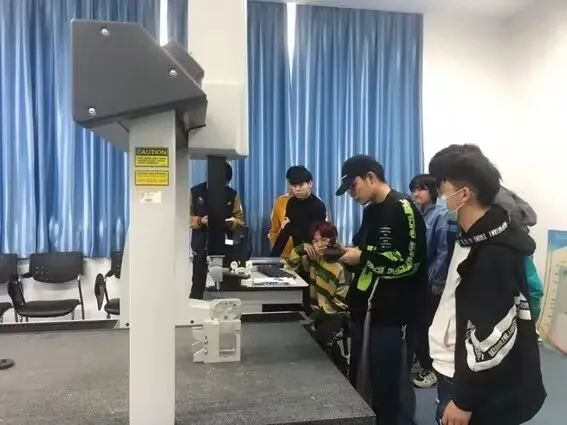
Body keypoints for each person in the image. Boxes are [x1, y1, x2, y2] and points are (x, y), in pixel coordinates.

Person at [428, 146, 546, 425]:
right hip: (453, 367)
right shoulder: (471, 237)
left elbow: (492, 335)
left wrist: (464, 400)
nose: (439, 196)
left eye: (442, 188)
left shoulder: (492, 252)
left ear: (464, 194)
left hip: (466, 383)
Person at [336, 154, 427, 425]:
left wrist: (363, 257)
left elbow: (409, 262)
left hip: (394, 312)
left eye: (353, 186)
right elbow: (365, 249)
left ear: (371, 177)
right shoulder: (371, 211)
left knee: (391, 381)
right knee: (368, 377)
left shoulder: (403, 208)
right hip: (367, 308)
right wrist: (345, 253)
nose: (351, 194)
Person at [408, 174, 455, 389]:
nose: (416, 193)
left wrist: (438, 281)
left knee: (428, 325)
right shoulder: (417, 214)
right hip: (416, 278)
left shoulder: (441, 216)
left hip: (432, 280)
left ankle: (432, 368)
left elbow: (443, 251)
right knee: (417, 323)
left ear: (433, 191)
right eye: (414, 189)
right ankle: (422, 359)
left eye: (421, 189)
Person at [287, 222, 349, 374]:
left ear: (333, 241)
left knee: (317, 342)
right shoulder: (314, 260)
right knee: (300, 336)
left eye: (323, 239)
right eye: (315, 240)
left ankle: (340, 367)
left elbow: (341, 303)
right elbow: (290, 266)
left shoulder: (342, 265)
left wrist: (319, 314)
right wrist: (301, 248)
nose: (319, 244)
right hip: (316, 310)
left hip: (336, 314)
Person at [189, 162, 245, 299]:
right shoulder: (195, 192)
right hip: (201, 246)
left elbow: (240, 220)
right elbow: (185, 218)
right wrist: (200, 221)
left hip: (224, 247)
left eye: (224, 184)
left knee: (228, 286)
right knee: (197, 287)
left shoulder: (232, 194)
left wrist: (228, 222)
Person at [270, 166, 327, 257]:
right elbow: (285, 232)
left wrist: (289, 227)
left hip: (314, 254)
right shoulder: (291, 202)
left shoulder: (318, 206)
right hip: (297, 253)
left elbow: (315, 236)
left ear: (310, 184)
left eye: (301, 185)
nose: (297, 189)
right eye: (294, 186)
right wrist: (273, 257)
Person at [268, 186, 294, 259]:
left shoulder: (315, 203)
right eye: (293, 184)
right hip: (283, 254)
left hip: (305, 254)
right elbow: (274, 229)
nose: (297, 188)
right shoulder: (281, 201)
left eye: (300, 184)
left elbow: (319, 231)